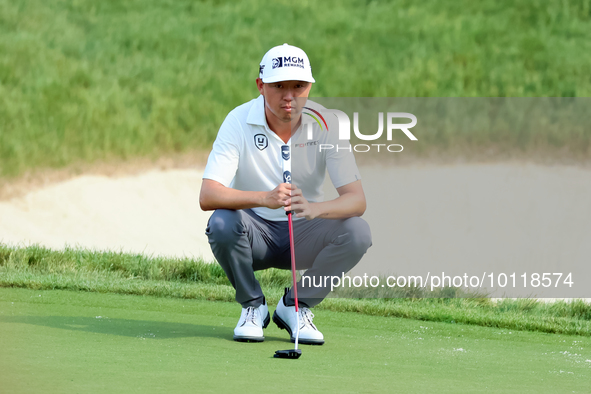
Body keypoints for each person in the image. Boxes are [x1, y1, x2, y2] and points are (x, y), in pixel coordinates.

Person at [199, 43, 372, 345]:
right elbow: (208, 195)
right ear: (260, 86)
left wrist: (315, 209)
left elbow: (357, 201)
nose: (289, 96)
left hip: (304, 234)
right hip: (254, 235)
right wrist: (263, 198)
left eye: (298, 86)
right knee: (221, 223)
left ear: (309, 87)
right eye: (279, 86)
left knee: (358, 232)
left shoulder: (327, 123)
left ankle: (296, 306)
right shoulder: (238, 121)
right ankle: (253, 306)